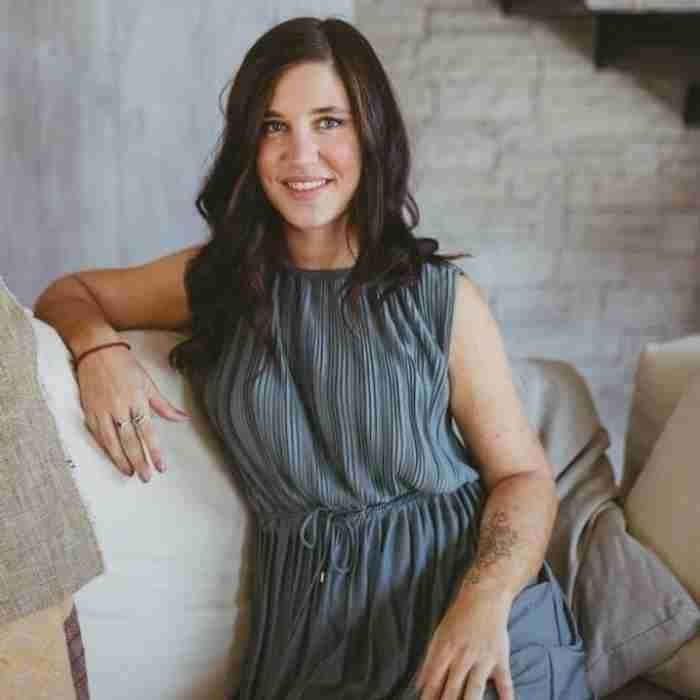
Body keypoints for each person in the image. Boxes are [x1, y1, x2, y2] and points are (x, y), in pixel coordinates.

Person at [34, 16, 595, 700]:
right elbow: (69, 293)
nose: (301, 155)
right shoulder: (217, 283)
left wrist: (484, 603)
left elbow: (524, 477)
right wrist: (99, 350)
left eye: (329, 122)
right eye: (274, 126)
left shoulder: (440, 298)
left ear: (370, 133)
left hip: (472, 619)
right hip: (315, 634)